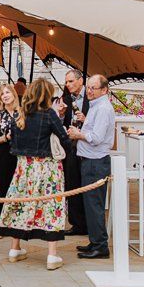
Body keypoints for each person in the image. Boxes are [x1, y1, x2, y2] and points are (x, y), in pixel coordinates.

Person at [0, 79, 73, 269]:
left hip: (24, 167)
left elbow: (13, 140)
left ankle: (15, 248)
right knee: (51, 206)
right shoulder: (49, 114)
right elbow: (64, 139)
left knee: (20, 204)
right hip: (47, 168)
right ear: (47, 95)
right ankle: (52, 255)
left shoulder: (20, 113)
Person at [68, 74, 115, 259]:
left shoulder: (103, 108)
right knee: (90, 203)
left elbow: (96, 138)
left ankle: (100, 246)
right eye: (88, 87)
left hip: (96, 161)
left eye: (93, 88)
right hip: (90, 159)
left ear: (104, 90)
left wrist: (78, 134)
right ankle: (95, 241)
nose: (89, 91)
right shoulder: (96, 106)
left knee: (94, 205)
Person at [59, 69, 88, 237]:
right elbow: (61, 122)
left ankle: (88, 223)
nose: (68, 85)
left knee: (87, 184)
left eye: (70, 81)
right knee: (72, 183)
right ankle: (76, 223)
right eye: (66, 82)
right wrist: (61, 115)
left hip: (87, 145)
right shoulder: (66, 99)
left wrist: (85, 119)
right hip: (71, 146)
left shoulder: (92, 97)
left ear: (80, 81)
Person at [0, 84, 21, 201]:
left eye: (7, 92)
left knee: (19, 188)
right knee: (4, 187)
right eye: (2, 94)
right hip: (4, 155)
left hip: (20, 155)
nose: (5, 96)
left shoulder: (22, 113)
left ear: (14, 94)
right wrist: (4, 138)